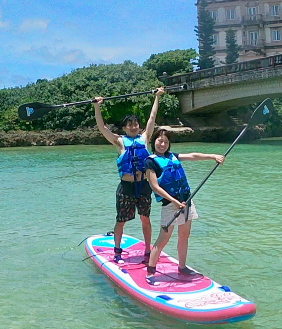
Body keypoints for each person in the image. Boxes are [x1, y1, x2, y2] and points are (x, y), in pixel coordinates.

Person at [142, 127, 224, 282]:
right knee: (163, 239)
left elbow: (193, 156)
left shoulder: (173, 156)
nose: (163, 144)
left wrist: (213, 156)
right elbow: (155, 187)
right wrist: (174, 201)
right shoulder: (150, 162)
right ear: (154, 142)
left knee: (184, 236)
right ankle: (151, 272)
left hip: (186, 201)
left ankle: (182, 267)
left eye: (166, 142)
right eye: (160, 141)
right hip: (170, 204)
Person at [93, 88, 163, 263]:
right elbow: (102, 128)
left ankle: (148, 251)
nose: (134, 127)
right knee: (121, 220)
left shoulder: (145, 138)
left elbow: (152, 118)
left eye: (136, 124)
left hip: (144, 186)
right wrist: (97, 107)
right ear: (124, 128)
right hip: (126, 187)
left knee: (145, 219)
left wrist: (157, 97)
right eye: (130, 124)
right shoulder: (119, 141)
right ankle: (117, 251)